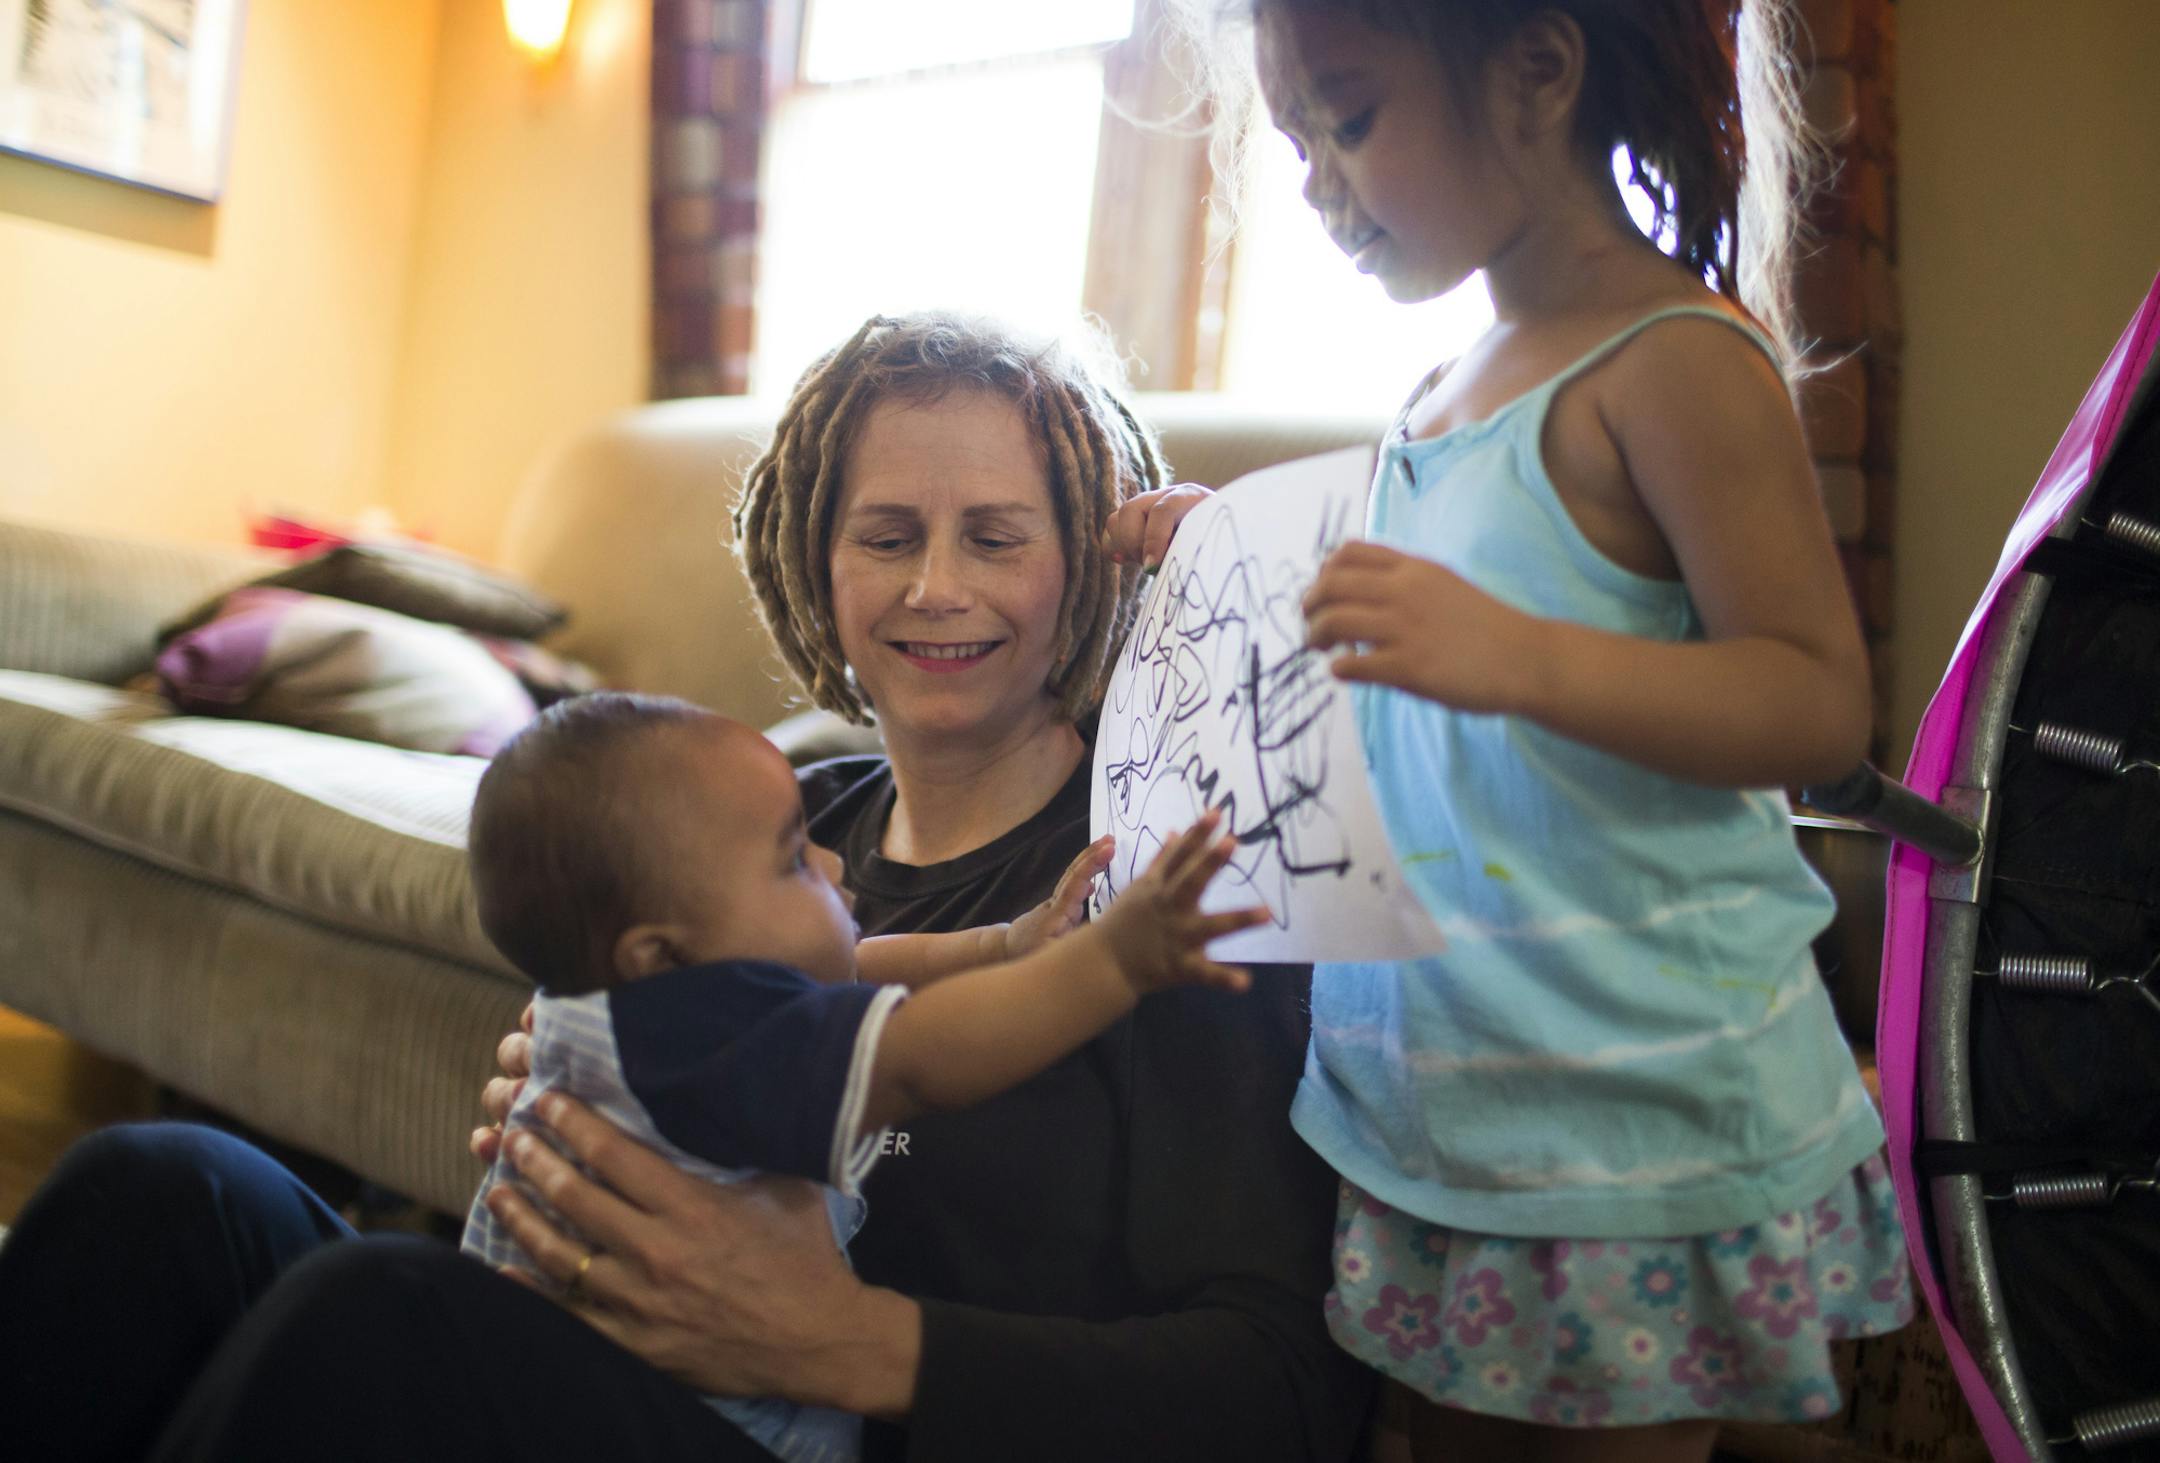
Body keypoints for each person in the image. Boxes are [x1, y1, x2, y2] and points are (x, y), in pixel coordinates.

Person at [0, 313, 1374, 1463]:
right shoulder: (776, 814)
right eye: (887, 534)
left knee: (378, 1307)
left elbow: (1282, 1394)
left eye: (996, 536)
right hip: (639, 1386)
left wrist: (846, 1340)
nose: (936, 585)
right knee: (164, 1185)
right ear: (813, 558)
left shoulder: (1176, 877)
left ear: (1086, 560)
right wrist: (575, 1102)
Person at [1110, 3, 1912, 1457]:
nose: (1314, 184)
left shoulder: (1672, 357)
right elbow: (1415, 650)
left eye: (1347, 121)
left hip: (1628, 1102)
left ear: (1538, 72)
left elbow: (1813, 695)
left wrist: (1525, 658)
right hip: (1448, 1088)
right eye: (1295, 142)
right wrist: (1239, 554)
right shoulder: (1439, 390)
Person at [459, 691, 1264, 1462]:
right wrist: (1114, 958)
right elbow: (920, 1056)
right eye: (792, 863)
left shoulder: (625, 1008)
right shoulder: (711, 1036)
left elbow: (856, 967)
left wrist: (998, 947)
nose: (830, 858)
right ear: (663, 956)